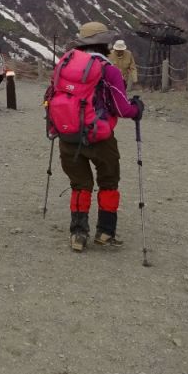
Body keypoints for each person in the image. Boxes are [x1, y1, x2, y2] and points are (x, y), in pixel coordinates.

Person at [56, 22, 144, 252]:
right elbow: (122, 108)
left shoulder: (64, 64)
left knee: (80, 185)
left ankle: (78, 234)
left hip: (67, 134)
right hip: (99, 137)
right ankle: (105, 232)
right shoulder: (109, 70)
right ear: (105, 43)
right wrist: (137, 109)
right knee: (108, 182)